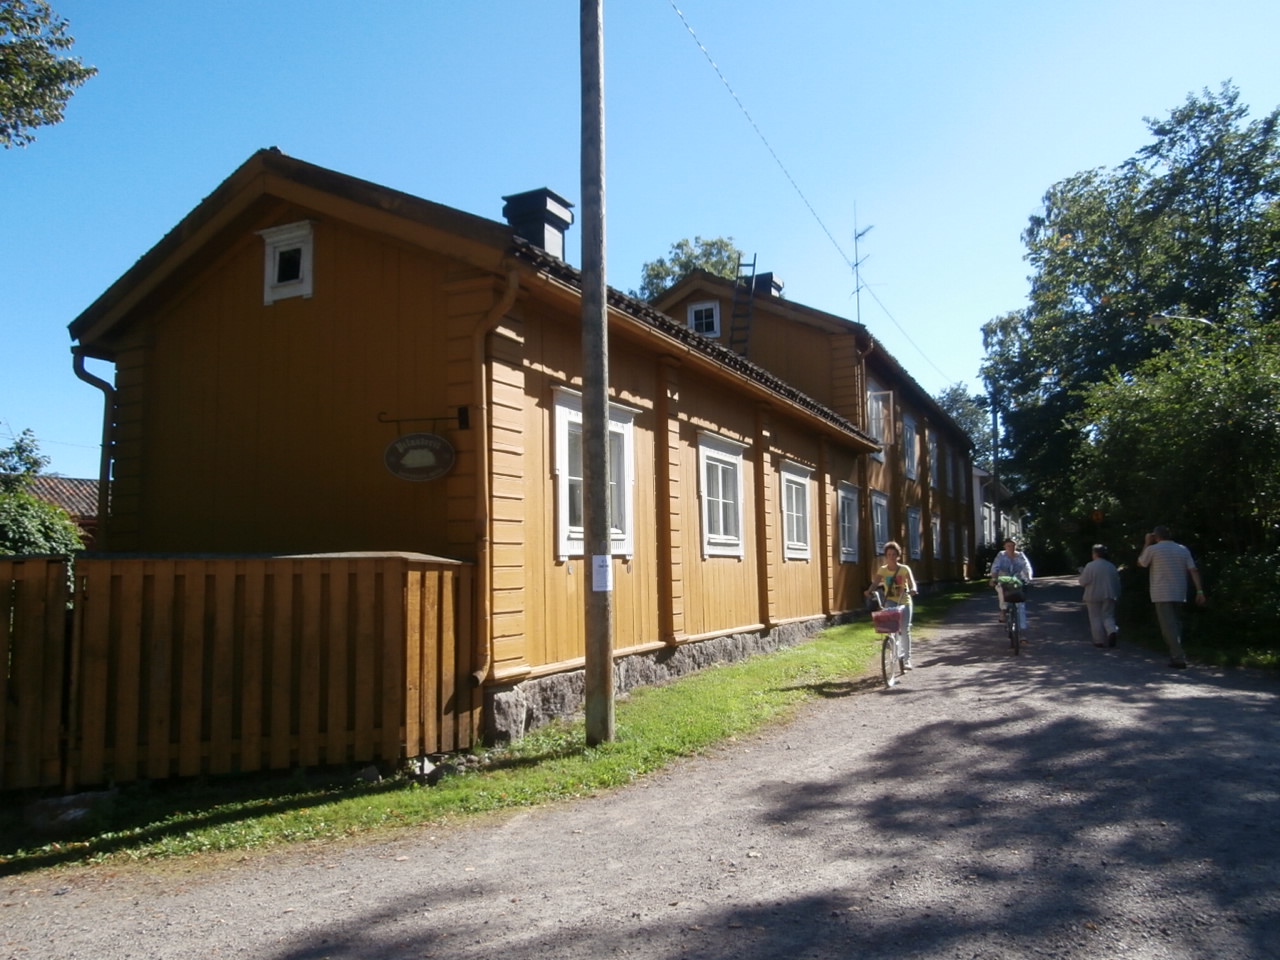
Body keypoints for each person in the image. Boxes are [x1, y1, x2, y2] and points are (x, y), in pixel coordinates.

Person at [1137, 525, 1206, 669]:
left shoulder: (1153, 549)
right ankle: (1176, 653)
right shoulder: (1182, 549)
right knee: (1175, 624)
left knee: (1167, 627)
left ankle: (1178, 657)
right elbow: (1193, 570)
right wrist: (1199, 591)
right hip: (1179, 591)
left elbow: (1141, 563)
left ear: (1156, 536)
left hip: (1161, 592)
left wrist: (1146, 543)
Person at [865, 540, 919, 670]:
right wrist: (869, 590)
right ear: (886, 556)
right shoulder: (883, 570)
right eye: (889, 554)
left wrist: (913, 590)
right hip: (890, 600)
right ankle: (893, 646)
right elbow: (875, 582)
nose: (891, 557)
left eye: (894, 554)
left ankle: (907, 660)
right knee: (891, 629)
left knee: (905, 630)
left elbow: (912, 583)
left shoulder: (904, 569)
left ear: (898, 556)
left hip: (904, 600)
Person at [1079, 544, 1121, 648]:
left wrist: (1082, 572)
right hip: (1109, 594)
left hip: (1093, 594)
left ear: (1095, 553)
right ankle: (1112, 630)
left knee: (1095, 617)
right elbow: (1117, 582)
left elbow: (1083, 581)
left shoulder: (1090, 565)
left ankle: (1099, 641)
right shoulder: (1111, 566)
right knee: (1108, 615)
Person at [989, 538, 1033, 630]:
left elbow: (1027, 566)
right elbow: (995, 568)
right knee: (1000, 590)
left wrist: (1028, 577)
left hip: (1017, 580)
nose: (1011, 547)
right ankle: (1003, 611)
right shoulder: (1001, 555)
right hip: (1003, 580)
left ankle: (1022, 631)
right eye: (1008, 545)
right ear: (1005, 546)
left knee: (1021, 603)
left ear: (1016, 546)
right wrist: (994, 578)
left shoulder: (1020, 555)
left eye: (1013, 545)